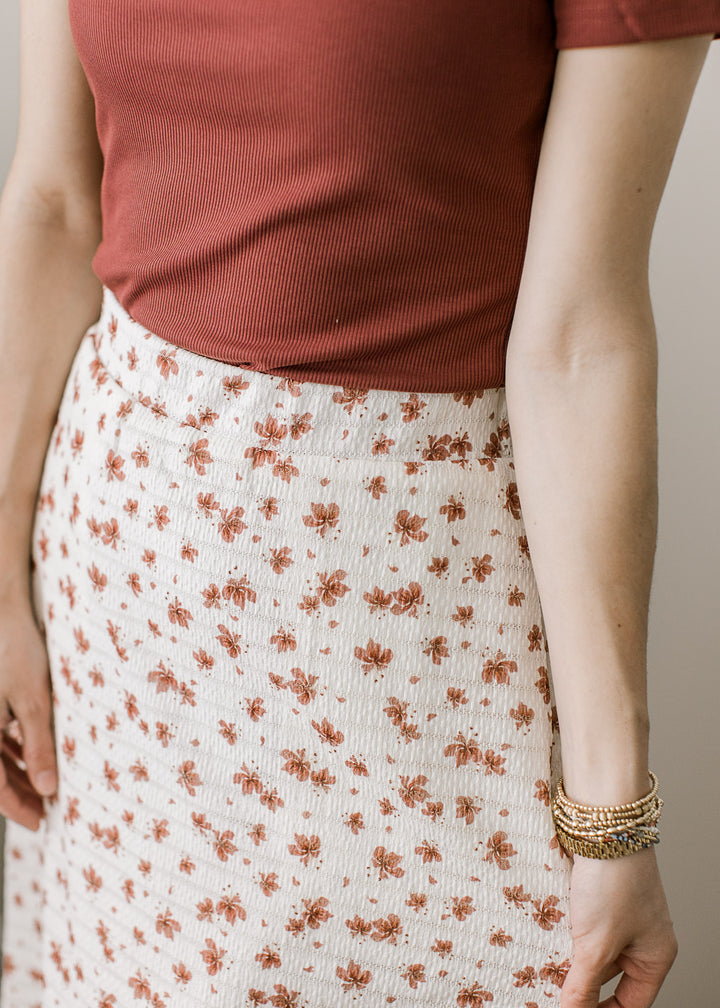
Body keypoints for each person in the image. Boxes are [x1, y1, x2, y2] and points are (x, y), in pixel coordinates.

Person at [0, 2, 718, 1006]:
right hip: (123, 606)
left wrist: (611, 810)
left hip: (417, 628)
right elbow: (52, 201)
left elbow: (578, 341)